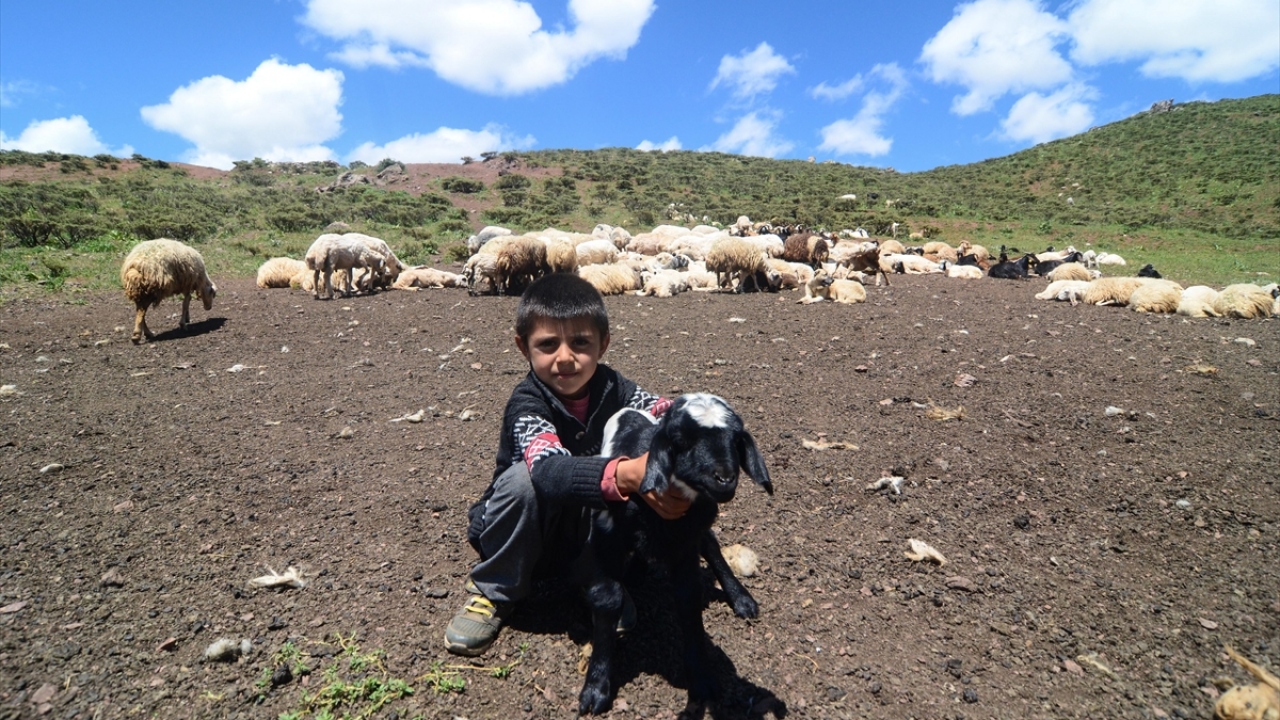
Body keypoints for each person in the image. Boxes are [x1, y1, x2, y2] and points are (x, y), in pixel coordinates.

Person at [444, 272, 691, 657]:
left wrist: (700, 422)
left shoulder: (615, 388)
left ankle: (594, 579)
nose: (565, 358)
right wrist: (624, 474)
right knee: (525, 481)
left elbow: (660, 409)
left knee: (632, 455)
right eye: (547, 344)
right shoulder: (528, 402)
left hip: (581, 530)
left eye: (580, 342)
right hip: (526, 528)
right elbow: (549, 471)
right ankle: (496, 588)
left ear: (603, 344)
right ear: (522, 347)